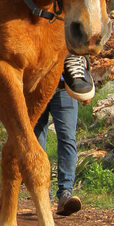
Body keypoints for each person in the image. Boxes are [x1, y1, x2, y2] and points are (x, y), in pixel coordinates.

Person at [34, 85, 83, 216]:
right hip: (34, 89)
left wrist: (85, 84)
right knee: (35, 142)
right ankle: (43, 195)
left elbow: (79, 63)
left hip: (63, 88)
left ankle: (66, 194)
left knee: (67, 138)